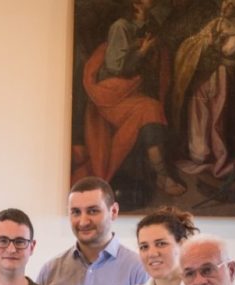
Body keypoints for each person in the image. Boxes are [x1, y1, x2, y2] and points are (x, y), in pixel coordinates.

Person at [77, 0, 186, 196]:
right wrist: (142, 51)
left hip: (132, 92)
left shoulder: (150, 26)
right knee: (149, 108)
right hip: (112, 95)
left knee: (151, 106)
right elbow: (115, 68)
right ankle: (162, 175)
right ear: (136, 3)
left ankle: (160, 175)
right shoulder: (121, 27)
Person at [172, 0, 235, 178]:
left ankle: (220, 154)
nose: (226, 7)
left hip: (225, 80)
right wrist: (204, 43)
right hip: (204, 78)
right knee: (198, 109)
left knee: (217, 117)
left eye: (232, 5)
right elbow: (193, 44)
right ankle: (200, 152)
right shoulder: (215, 24)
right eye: (225, 3)